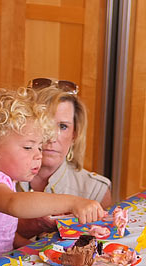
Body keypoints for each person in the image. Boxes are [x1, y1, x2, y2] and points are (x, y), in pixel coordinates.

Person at [0, 86, 105, 259]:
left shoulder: (6, 180)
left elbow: (2, 232)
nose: (38, 155)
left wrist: (27, 246)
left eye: (39, 147)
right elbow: (14, 204)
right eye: (28, 147)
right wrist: (73, 202)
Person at [16, 80, 113, 242]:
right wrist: (28, 226)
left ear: (75, 134)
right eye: (44, 124)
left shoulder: (96, 191)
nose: (52, 137)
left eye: (62, 126)